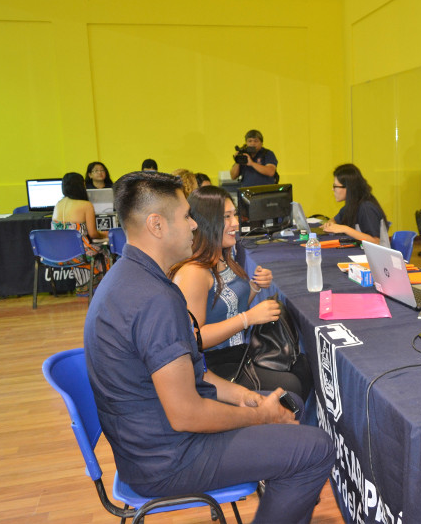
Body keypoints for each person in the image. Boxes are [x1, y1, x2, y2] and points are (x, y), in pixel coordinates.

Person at [84, 171, 334, 523]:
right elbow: (186, 414)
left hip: (150, 446)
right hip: (168, 459)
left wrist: (243, 397)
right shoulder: (153, 299)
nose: (194, 226)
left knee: (289, 415)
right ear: (156, 225)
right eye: (186, 217)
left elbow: (194, 373)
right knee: (316, 448)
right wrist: (260, 416)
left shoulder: (127, 279)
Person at [170, 186, 311, 399]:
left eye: (234, 215)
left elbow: (227, 308)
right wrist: (247, 319)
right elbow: (195, 339)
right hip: (215, 366)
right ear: (207, 222)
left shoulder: (222, 257)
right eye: (226, 217)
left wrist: (254, 287)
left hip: (239, 354)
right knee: (291, 385)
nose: (235, 223)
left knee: (303, 367)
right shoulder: (193, 273)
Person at [51, 172, 107, 294]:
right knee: (106, 250)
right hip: (79, 253)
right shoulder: (86, 205)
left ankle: (84, 287)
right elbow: (93, 234)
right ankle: (102, 289)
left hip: (58, 254)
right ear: (81, 186)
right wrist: (106, 234)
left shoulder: (58, 204)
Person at [322, 163, 388, 244]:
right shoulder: (352, 204)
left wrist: (345, 229)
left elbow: (375, 241)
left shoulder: (366, 208)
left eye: (335, 186)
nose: (333, 189)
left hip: (376, 252)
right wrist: (330, 224)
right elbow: (335, 219)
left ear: (348, 188)